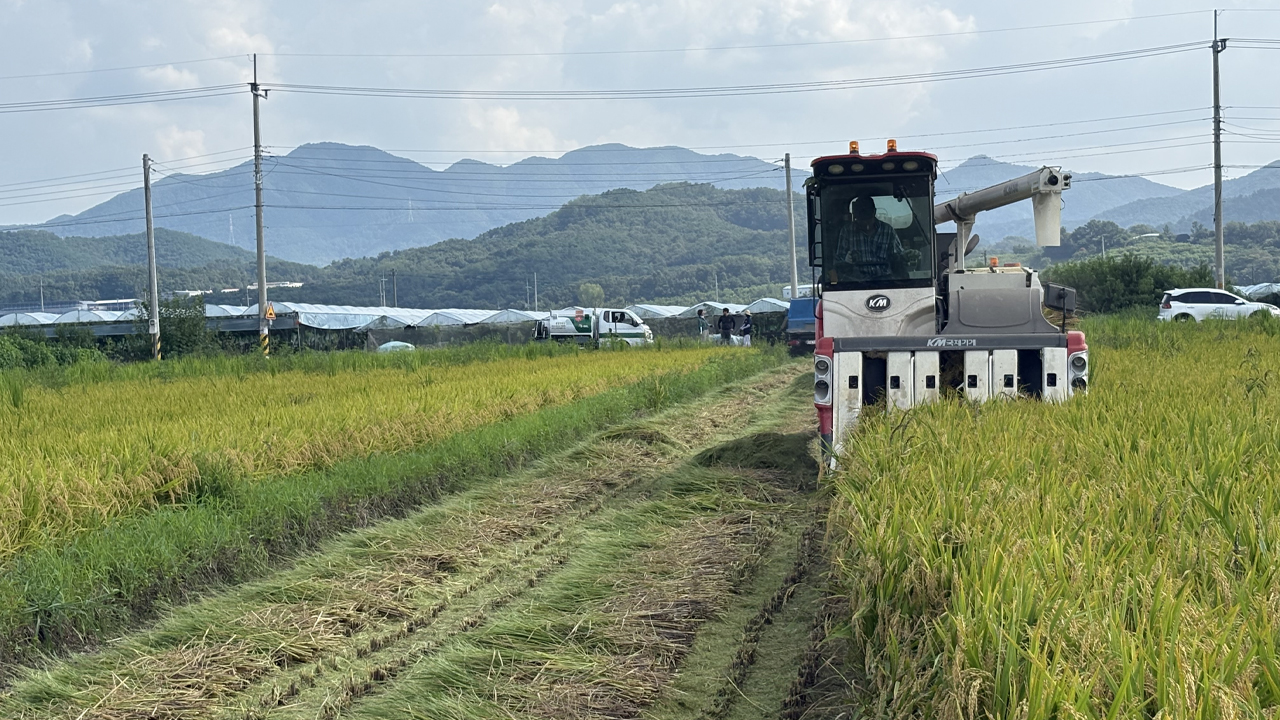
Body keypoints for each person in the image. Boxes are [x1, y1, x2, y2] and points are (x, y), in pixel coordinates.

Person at [831, 195, 916, 283]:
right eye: (861, 220)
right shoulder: (847, 231)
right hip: (857, 282)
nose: (865, 224)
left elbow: (898, 257)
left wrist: (907, 255)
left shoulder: (888, 231)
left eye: (868, 219)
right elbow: (838, 261)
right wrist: (846, 260)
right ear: (856, 216)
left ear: (874, 212)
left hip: (885, 281)